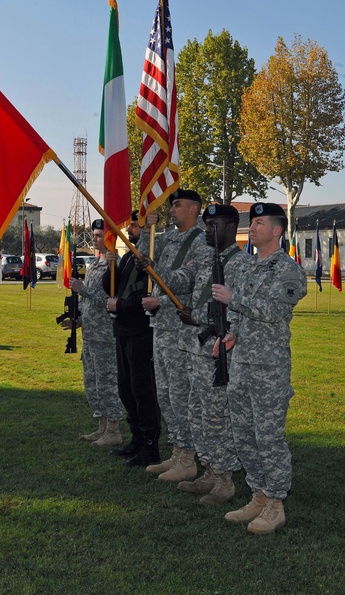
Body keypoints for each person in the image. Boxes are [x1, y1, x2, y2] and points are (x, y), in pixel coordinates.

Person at [212, 203, 306, 535]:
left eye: (259, 222)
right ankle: (258, 495)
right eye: (251, 222)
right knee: (245, 434)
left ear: (277, 230)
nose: (252, 227)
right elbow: (244, 316)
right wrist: (230, 336)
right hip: (243, 363)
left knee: (268, 437)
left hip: (269, 368)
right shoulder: (251, 267)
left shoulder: (288, 270)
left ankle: (276, 504)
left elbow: (275, 313)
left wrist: (233, 299)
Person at [147, 203, 248, 505]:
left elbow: (238, 308)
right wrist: (151, 266)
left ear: (230, 228)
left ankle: (225, 480)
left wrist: (198, 316)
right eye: (205, 226)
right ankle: (208, 470)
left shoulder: (240, 264)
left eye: (213, 226)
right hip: (195, 348)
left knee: (218, 415)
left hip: (218, 352)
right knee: (198, 412)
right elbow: (182, 279)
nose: (207, 231)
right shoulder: (206, 256)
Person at [139, 189, 208, 483]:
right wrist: (145, 229)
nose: (172, 209)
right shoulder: (167, 236)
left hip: (182, 327)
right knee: (166, 394)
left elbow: (192, 285)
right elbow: (145, 257)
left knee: (182, 395)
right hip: (162, 327)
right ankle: (177, 451)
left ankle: (189, 457)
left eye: (177, 204)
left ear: (193, 209)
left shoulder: (201, 240)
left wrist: (162, 301)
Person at [103, 212, 160, 467]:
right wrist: (111, 266)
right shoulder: (128, 256)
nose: (129, 230)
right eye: (130, 225)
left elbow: (150, 296)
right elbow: (111, 288)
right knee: (125, 388)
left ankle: (150, 445)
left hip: (141, 330)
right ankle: (136, 438)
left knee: (142, 389)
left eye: (135, 225)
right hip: (123, 330)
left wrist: (121, 305)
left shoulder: (149, 258)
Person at [70, 219, 124, 447]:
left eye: (100, 235)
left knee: (107, 383)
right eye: (94, 235)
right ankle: (102, 426)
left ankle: (113, 429)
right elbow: (90, 302)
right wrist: (79, 318)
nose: (95, 239)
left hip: (105, 336)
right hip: (91, 333)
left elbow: (111, 300)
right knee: (92, 382)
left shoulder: (115, 266)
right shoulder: (96, 264)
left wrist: (84, 289)